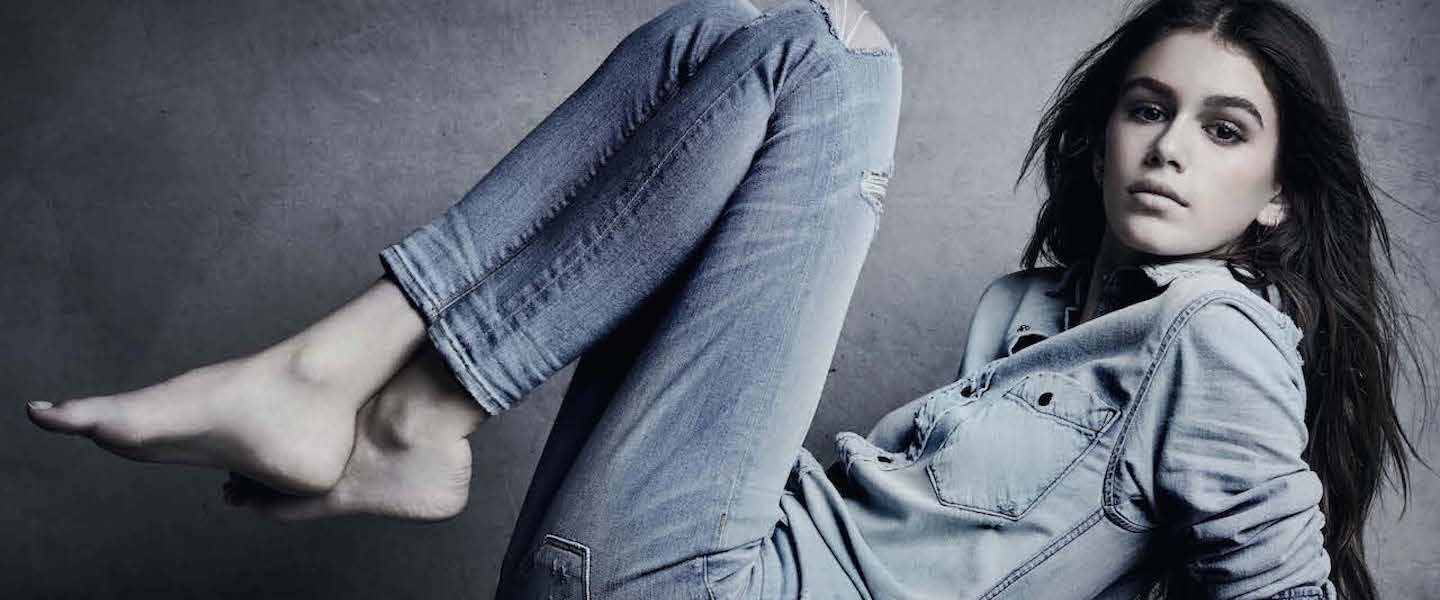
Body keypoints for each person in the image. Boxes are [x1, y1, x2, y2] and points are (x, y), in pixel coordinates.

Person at [23, 0, 1430, 598]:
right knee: (720, 33)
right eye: (1147, 107)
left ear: (1280, 198)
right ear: (1104, 132)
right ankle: (394, 411)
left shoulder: (1219, 338)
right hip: (667, 570)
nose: (1171, 147)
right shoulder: (1044, 310)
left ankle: (369, 398)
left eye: (1225, 130)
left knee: (833, 53)